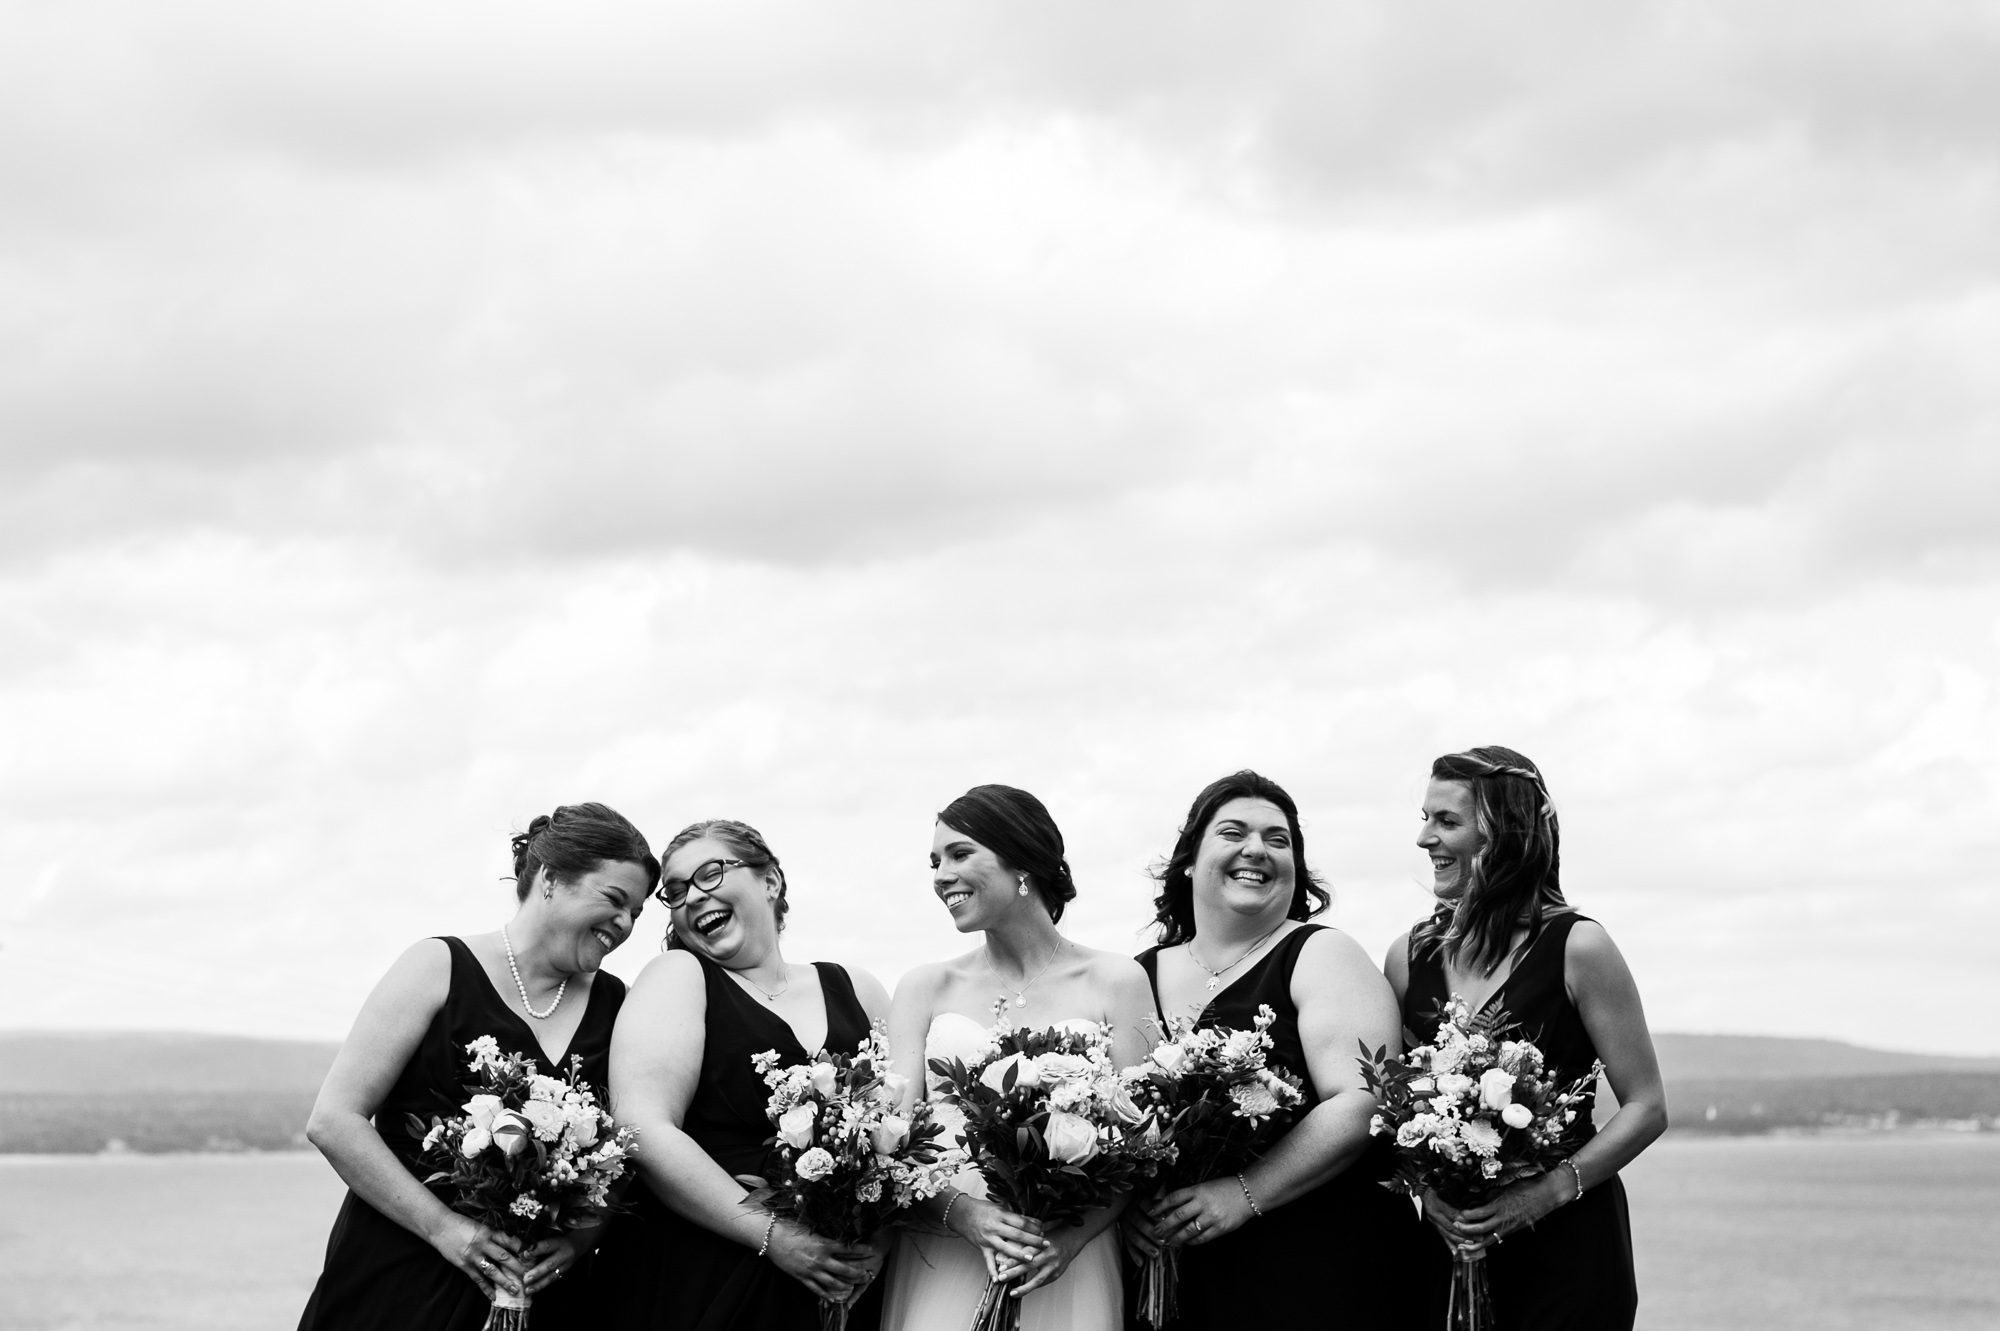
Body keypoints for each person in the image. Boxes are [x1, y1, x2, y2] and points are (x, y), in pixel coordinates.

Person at [298, 803, 658, 1331]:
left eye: (637, 913)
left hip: (543, 1296)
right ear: (551, 879)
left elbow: (629, 1147)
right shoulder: (435, 967)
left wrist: (581, 1239)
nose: (624, 923)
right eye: (614, 899)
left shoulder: (619, 1005)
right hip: (403, 1278)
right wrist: (444, 1228)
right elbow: (334, 1121)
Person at [1126, 770, 1435, 1328]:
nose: (1257, 850)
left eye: (1278, 840)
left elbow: (1362, 1099)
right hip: (1178, 1272)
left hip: (1315, 1263)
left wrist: (1244, 1193)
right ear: (1189, 859)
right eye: (1233, 832)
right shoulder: (1134, 976)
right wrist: (1127, 1212)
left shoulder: (1323, 954)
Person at [1386, 746, 1667, 1330]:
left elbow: (1647, 1107)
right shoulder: (1408, 957)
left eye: (1447, 821)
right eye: (1425, 818)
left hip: (1567, 1251)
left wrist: (1548, 1193)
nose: (1424, 838)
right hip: (1448, 1247)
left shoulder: (1579, 948)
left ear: (1505, 833)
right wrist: (1427, 1194)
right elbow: (1391, 1104)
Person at [591, 819, 894, 1331]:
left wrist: (878, 1241)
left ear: (770, 880)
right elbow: (642, 1125)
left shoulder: (857, 987)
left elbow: (900, 1135)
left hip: (846, 1277)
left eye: (710, 873)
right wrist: (772, 1235)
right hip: (711, 1272)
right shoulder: (679, 976)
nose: (692, 896)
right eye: (676, 891)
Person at [879, 784, 1154, 1331]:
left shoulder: (1117, 980)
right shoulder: (923, 987)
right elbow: (890, 1141)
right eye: (935, 862)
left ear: (1022, 861)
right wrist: (962, 1214)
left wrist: (1069, 1241)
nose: (940, 875)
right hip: (947, 1247)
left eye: (959, 854)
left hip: (1066, 1253)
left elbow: (1143, 1144)